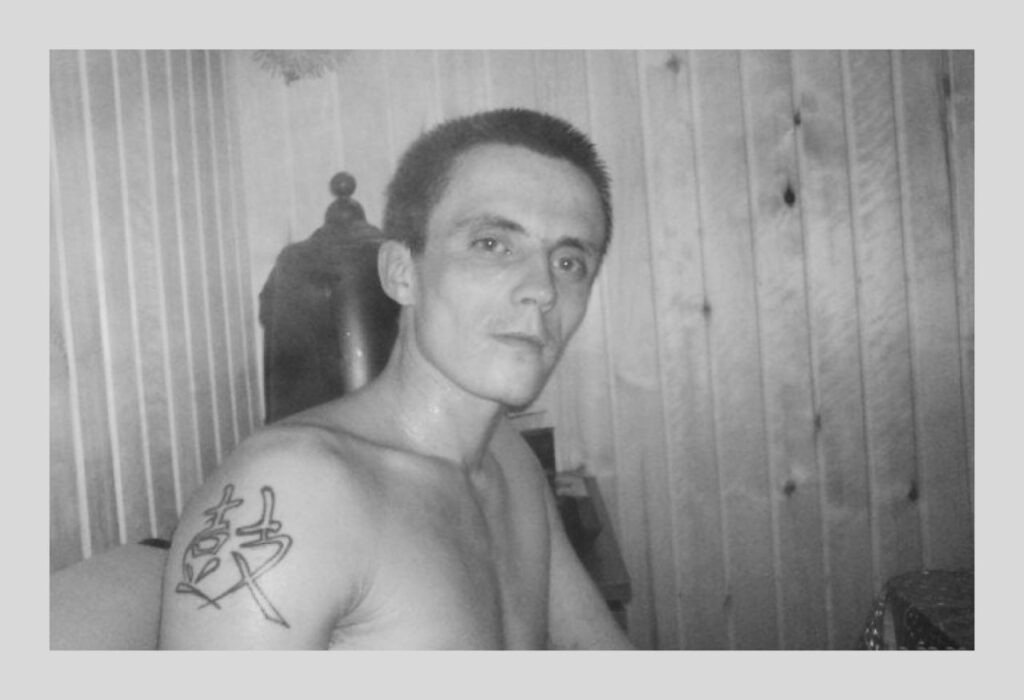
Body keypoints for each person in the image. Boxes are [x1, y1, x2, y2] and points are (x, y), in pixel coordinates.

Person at [158, 108, 633, 650]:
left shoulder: (509, 459)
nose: (543, 290)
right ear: (401, 273)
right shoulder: (297, 491)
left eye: (569, 262)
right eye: (492, 245)